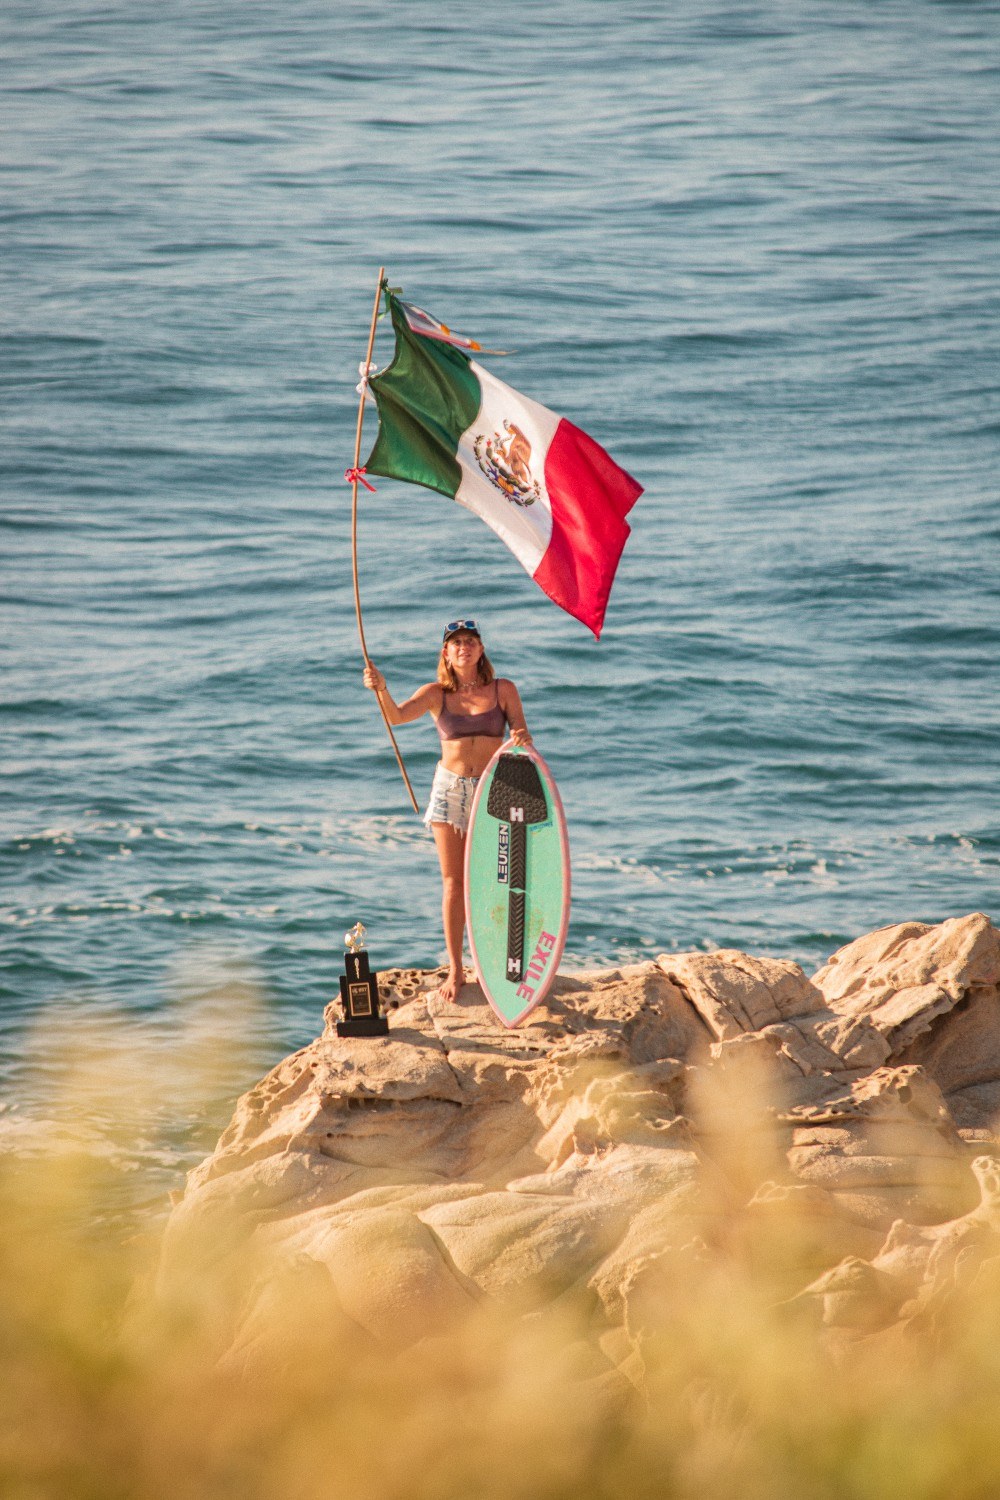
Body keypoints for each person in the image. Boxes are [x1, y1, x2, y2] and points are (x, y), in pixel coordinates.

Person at [363, 620, 532, 1004]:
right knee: (454, 883)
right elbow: (396, 717)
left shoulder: (503, 689)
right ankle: (456, 968)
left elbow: (521, 733)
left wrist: (522, 737)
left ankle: (492, 963)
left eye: (470, 641)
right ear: (446, 652)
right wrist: (382, 688)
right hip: (450, 791)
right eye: (456, 643)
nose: (463, 647)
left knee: (493, 880)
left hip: (493, 788)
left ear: (481, 649)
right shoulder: (435, 693)